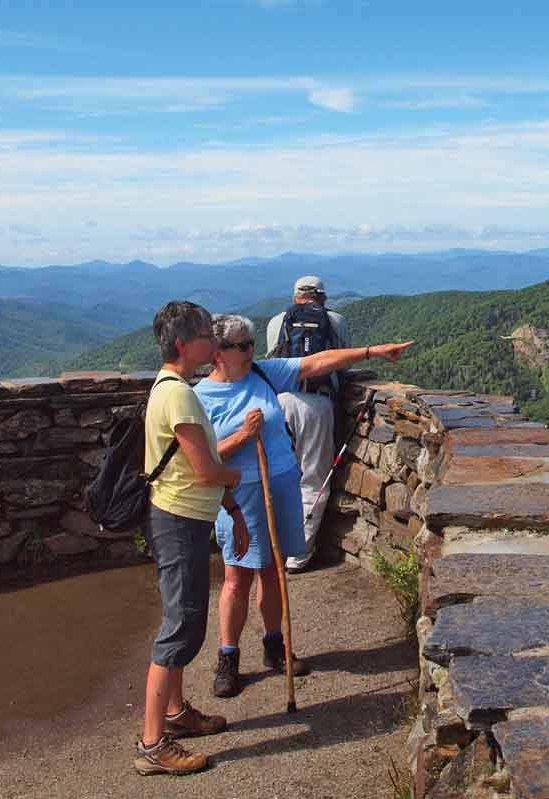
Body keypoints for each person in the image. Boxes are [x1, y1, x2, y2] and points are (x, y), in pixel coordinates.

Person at [197, 313, 413, 697]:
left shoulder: (263, 374)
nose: (251, 350)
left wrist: (372, 351)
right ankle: (228, 657)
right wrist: (245, 436)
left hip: (280, 482)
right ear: (218, 353)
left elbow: (316, 363)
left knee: (273, 569)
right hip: (240, 494)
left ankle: (275, 646)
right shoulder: (201, 397)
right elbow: (204, 459)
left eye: (251, 343)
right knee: (236, 577)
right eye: (242, 345)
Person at [135, 301, 246, 777]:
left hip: (182, 517)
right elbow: (205, 469)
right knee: (180, 626)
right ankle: (152, 744)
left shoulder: (175, 388)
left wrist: (232, 510)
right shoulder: (177, 394)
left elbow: (187, 468)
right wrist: (234, 479)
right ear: (183, 344)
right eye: (206, 335)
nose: (214, 343)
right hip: (178, 522)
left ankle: (177, 714)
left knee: (184, 620)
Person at [265, 275, 352, 573]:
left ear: (295, 297)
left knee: (277, 474)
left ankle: (271, 544)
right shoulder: (336, 321)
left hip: (280, 403)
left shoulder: (277, 322)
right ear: (323, 297)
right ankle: (298, 555)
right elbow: (343, 362)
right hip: (317, 404)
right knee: (313, 481)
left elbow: (271, 364)